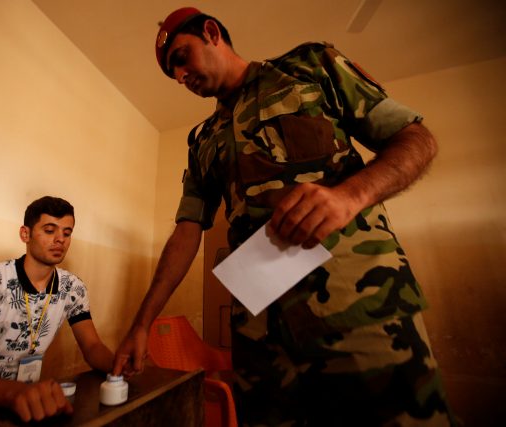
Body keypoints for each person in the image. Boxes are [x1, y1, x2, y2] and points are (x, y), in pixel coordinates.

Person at [113, 7, 456, 426]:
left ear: (211, 32)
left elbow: (414, 138)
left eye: (181, 58)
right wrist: (141, 324)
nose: (181, 76)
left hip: (360, 309)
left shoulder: (310, 66)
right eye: (173, 74)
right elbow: (187, 231)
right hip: (263, 342)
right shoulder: (202, 140)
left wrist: (350, 195)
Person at [0, 196, 114, 423]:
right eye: (50, 230)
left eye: (67, 233)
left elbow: (92, 346)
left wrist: (117, 364)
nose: (60, 239)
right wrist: (16, 392)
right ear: (25, 234)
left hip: (24, 407)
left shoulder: (73, 287)